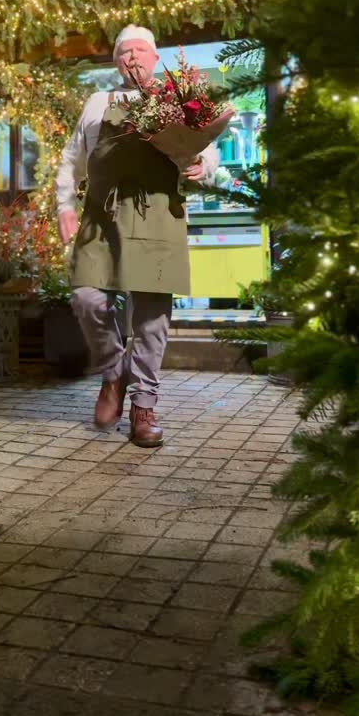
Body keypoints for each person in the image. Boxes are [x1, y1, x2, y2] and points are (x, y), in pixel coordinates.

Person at [56, 25, 220, 447]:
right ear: (116, 61)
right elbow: (72, 158)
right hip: (103, 216)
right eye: (125, 51)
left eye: (141, 50)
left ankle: (143, 405)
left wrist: (205, 165)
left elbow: (206, 147)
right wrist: (64, 206)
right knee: (86, 298)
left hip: (157, 215)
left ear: (155, 58)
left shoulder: (177, 99)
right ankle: (113, 373)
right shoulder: (98, 103)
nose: (133, 57)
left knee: (151, 319)